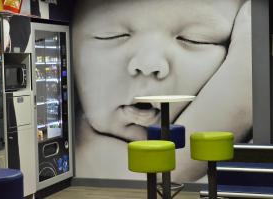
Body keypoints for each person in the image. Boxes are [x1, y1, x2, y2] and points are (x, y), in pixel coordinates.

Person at [72, 0, 252, 181]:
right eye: (111, 35)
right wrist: (238, 97)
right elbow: (153, 181)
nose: (149, 63)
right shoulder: (79, 152)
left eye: (195, 38)